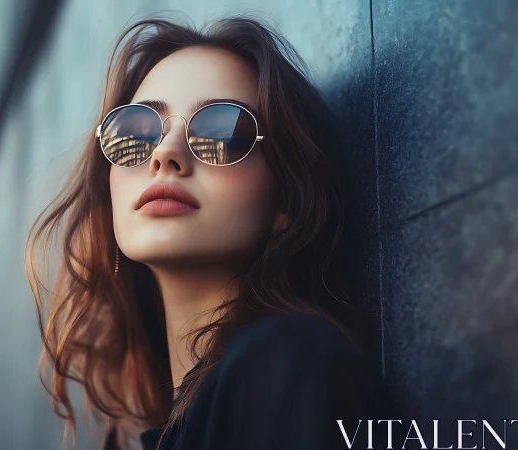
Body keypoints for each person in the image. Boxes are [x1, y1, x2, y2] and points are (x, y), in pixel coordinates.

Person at [25, 14, 405, 450]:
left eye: (221, 132)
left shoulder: (290, 362)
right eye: (135, 132)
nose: (166, 153)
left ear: (285, 200)